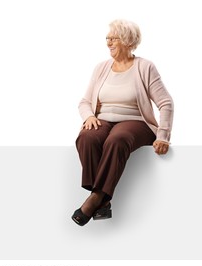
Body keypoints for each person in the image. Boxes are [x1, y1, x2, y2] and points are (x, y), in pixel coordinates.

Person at [71, 19, 174, 226]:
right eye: (107, 38)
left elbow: (166, 103)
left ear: (127, 41)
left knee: (117, 139)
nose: (108, 42)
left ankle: (94, 199)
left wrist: (163, 136)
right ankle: (102, 201)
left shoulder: (145, 67)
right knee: (86, 137)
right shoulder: (101, 68)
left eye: (113, 38)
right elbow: (84, 102)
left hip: (136, 121)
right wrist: (89, 116)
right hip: (104, 120)